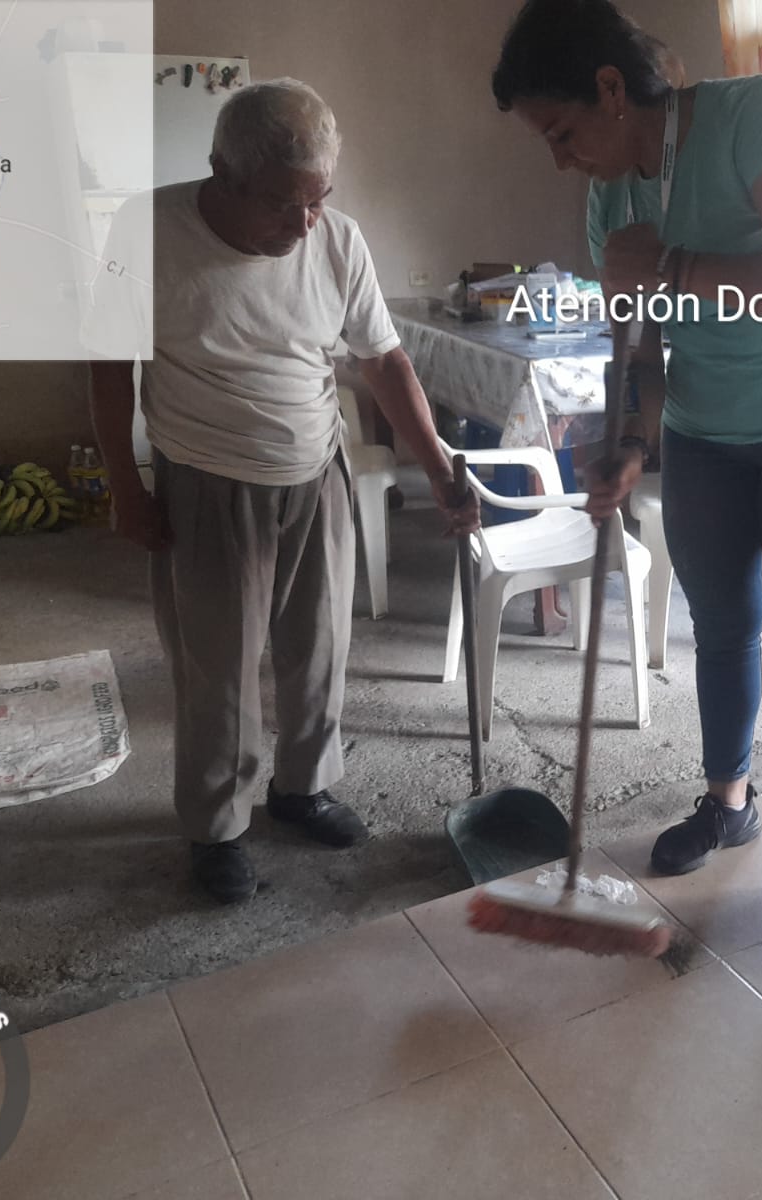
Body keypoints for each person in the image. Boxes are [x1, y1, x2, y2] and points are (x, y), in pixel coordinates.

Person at [493, 0, 762, 960]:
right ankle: (728, 802)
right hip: (707, 433)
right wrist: (632, 438)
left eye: (562, 132)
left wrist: (674, 264)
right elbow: (642, 344)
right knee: (720, 629)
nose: (561, 159)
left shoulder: (753, 115)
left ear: (611, 90)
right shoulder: (611, 199)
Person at [84, 79, 477, 904]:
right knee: (218, 672)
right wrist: (125, 484)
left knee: (320, 649)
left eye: (318, 199)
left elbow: (384, 361)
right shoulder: (145, 231)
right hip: (205, 478)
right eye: (281, 204)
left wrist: (439, 464)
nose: (303, 225)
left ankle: (303, 788)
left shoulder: (337, 239)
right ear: (221, 173)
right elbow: (109, 366)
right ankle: (217, 827)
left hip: (316, 469)